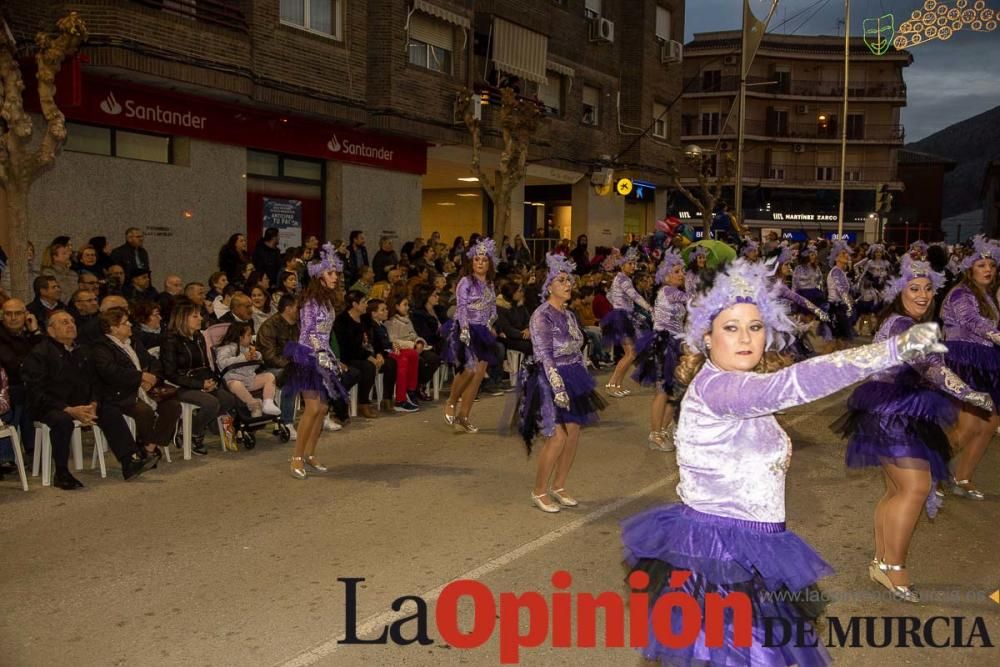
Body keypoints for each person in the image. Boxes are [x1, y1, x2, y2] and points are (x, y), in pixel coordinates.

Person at [620, 258, 948, 665]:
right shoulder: (722, 389)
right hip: (723, 557)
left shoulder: (737, 382)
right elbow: (792, 385)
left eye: (755, 327)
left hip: (751, 548)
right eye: (731, 327)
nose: (745, 338)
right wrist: (893, 350)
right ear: (706, 337)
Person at [835, 256, 992, 603]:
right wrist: (969, 394)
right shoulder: (904, 324)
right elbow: (931, 367)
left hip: (894, 411)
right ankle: (894, 567)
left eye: (927, 289)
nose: (922, 295)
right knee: (916, 487)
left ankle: (883, 563)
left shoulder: (903, 320)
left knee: (897, 490)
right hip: (892, 413)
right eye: (914, 288)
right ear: (899, 290)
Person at [22, 310, 158, 489]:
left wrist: (93, 403)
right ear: (51, 331)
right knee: (62, 421)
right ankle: (62, 472)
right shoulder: (40, 354)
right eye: (64, 322)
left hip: (82, 402)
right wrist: (69, 409)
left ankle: (128, 462)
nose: (71, 325)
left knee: (109, 410)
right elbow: (35, 392)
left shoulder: (82, 350)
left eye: (72, 321)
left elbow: (95, 381)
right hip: (51, 405)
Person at [517, 254, 606, 513]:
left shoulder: (568, 314)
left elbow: (578, 347)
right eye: (561, 280)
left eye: (569, 280)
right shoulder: (541, 316)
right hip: (547, 379)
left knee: (574, 430)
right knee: (556, 437)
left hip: (572, 374)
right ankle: (539, 491)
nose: (567, 284)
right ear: (549, 286)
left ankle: (559, 485)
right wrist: (557, 387)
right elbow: (544, 355)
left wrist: (581, 376)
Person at [939, 235, 1000, 499]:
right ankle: (929, 471)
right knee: (969, 427)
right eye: (981, 265)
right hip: (966, 361)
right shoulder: (961, 293)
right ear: (969, 269)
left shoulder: (988, 296)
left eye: (992, 266)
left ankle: (962, 477)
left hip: (990, 361)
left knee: (989, 426)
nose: (988, 270)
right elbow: (973, 322)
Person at [282, 243, 349, 479]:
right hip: (307, 358)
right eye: (330, 274)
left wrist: (331, 357)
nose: (335, 278)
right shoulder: (310, 301)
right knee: (312, 408)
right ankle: (296, 458)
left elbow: (325, 335)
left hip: (321, 356)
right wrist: (321, 354)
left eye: (336, 274)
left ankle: (309, 454)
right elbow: (310, 332)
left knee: (322, 408)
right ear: (319, 276)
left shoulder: (328, 302)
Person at [90, 307, 182, 466]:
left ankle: (150, 447)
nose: (130, 325)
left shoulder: (133, 342)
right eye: (125, 323)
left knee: (172, 406)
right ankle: (146, 446)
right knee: (143, 411)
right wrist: (139, 377)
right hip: (120, 391)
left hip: (143, 387)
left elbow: (152, 362)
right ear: (113, 328)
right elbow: (110, 371)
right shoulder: (101, 347)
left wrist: (152, 378)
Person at [161, 302, 236, 455]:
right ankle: (195, 434)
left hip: (200, 380)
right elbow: (171, 373)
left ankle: (189, 429)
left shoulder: (198, 337)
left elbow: (206, 364)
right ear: (182, 319)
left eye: (200, 315)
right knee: (211, 403)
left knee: (229, 399)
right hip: (179, 384)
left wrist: (211, 381)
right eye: (195, 316)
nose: (200, 318)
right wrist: (199, 385)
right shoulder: (170, 340)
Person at [441, 238, 499, 433]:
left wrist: (491, 324)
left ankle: (463, 416)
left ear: (489, 263)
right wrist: (464, 329)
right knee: (469, 370)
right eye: (476, 259)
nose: (480, 263)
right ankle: (451, 401)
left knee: (478, 376)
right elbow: (462, 307)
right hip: (465, 328)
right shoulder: (465, 282)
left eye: (484, 259)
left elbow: (493, 308)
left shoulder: (490, 284)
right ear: (471, 262)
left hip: (483, 331)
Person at [632, 249, 686, 452]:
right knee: (663, 391)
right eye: (677, 271)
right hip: (664, 344)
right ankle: (655, 434)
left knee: (674, 391)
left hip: (675, 342)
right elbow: (693, 300)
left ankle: (663, 430)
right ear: (666, 275)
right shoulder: (668, 291)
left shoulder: (672, 292)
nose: (682, 274)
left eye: (682, 270)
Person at [335, 290, 397, 416]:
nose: (366, 305)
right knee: (368, 367)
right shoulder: (342, 321)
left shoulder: (365, 319)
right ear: (354, 304)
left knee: (391, 363)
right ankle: (363, 403)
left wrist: (379, 353)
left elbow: (376, 340)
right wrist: (370, 358)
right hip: (350, 357)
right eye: (363, 302)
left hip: (367, 353)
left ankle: (386, 399)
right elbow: (348, 348)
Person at [600, 248, 651, 397]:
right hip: (621, 318)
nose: (633, 266)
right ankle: (611, 385)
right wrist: (649, 308)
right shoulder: (622, 278)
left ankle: (617, 385)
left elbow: (609, 295)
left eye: (634, 263)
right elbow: (634, 295)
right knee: (630, 353)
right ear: (622, 265)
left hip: (623, 316)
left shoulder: (622, 278)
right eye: (630, 263)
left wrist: (619, 304)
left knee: (631, 353)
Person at [0, 298, 44, 461]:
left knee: (34, 394)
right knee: (21, 396)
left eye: (18, 313)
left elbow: (47, 357)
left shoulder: (30, 333)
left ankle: (34, 449)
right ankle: (13, 454)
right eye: (8, 314)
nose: (13, 318)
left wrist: (35, 333)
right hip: (8, 387)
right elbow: (14, 365)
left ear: (26, 315)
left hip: (29, 384)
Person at [215, 322, 281, 419]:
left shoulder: (249, 348)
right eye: (249, 335)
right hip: (233, 380)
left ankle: (268, 402)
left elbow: (256, 364)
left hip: (249, 379)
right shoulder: (226, 349)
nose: (251, 337)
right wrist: (243, 358)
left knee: (269, 376)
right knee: (235, 384)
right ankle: (254, 404)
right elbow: (222, 362)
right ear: (240, 337)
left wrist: (256, 356)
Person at [257, 294, 300, 437]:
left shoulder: (297, 325)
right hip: (270, 368)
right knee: (292, 376)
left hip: (290, 364)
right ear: (288, 309)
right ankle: (287, 422)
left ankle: (321, 416)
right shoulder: (269, 326)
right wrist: (291, 364)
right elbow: (269, 357)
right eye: (297, 307)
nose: (300, 311)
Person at [366, 299, 419, 412]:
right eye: (383, 310)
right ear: (373, 313)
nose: (386, 311)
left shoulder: (381, 326)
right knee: (402, 360)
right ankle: (400, 399)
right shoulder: (372, 326)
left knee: (413, 354)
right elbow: (376, 344)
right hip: (382, 354)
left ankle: (410, 389)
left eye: (386, 309)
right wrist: (392, 346)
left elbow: (388, 343)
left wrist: (394, 345)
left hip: (388, 351)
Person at [385, 296, 440, 401]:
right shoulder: (391, 322)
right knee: (420, 362)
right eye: (404, 305)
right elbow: (393, 341)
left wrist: (419, 342)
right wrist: (412, 345)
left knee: (433, 359)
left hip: (415, 347)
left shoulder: (408, 320)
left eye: (408, 305)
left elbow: (414, 335)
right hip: (403, 350)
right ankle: (412, 389)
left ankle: (419, 384)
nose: (407, 307)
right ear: (396, 306)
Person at [827, 239, 856, 345]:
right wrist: (849, 305)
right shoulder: (836, 271)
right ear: (836, 258)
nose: (846, 255)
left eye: (846, 253)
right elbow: (841, 291)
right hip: (836, 308)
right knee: (838, 341)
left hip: (841, 307)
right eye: (843, 253)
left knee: (839, 342)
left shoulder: (841, 272)